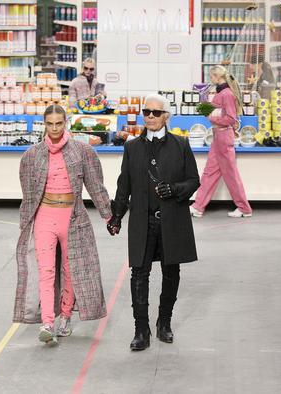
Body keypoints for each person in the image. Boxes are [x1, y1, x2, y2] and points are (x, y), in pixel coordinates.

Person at [108, 94, 200, 351]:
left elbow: (194, 180)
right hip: (142, 220)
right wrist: (116, 215)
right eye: (146, 112)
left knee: (171, 272)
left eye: (155, 113)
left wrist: (175, 189)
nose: (150, 116)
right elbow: (123, 184)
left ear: (166, 116)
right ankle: (141, 330)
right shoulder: (132, 147)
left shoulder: (181, 145)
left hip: (172, 220)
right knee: (139, 272)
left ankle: (164, 323)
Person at [14, 104, 112, 345]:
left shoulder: (82, 151)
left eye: (59, 123)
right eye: (50, 124)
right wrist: (25, 221)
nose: (55, 128)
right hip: (45, 216)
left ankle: (66, 316)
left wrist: (108, 216)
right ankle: (47, 322)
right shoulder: (32, 155)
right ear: (44, 125)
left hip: (73, 217)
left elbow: (95, 185)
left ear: (65, 122)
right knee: (45, 271)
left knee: (71, 271)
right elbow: (28, 193)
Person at [190, 65, 252, 218]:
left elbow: (231, 118)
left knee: (230, 175)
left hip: (224, 138)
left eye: (211, 77)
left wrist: (210, 117)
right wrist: (205, 107)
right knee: (209, 172)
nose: (210, 80)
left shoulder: (227, 94)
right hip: (219, 137)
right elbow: (220, 110)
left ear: (218, 77)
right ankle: (198, 207)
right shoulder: (222, 93)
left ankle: (244, 208)